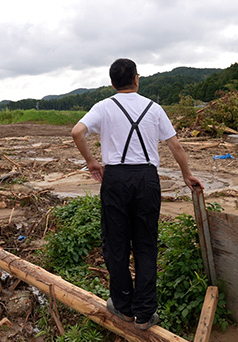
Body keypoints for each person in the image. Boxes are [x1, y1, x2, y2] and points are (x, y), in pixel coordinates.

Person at [71, 58, 203, 330]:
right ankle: (145, 314)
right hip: (146, 179)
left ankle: (122, 307)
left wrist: (92, 162)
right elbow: (175, 145)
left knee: (116, 243)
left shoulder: (104, 107)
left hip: (115, 179)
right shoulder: (154, 108)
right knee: (145, 244)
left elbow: (77, 132)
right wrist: (186, 174)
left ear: (111, 83)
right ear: (137, 79)